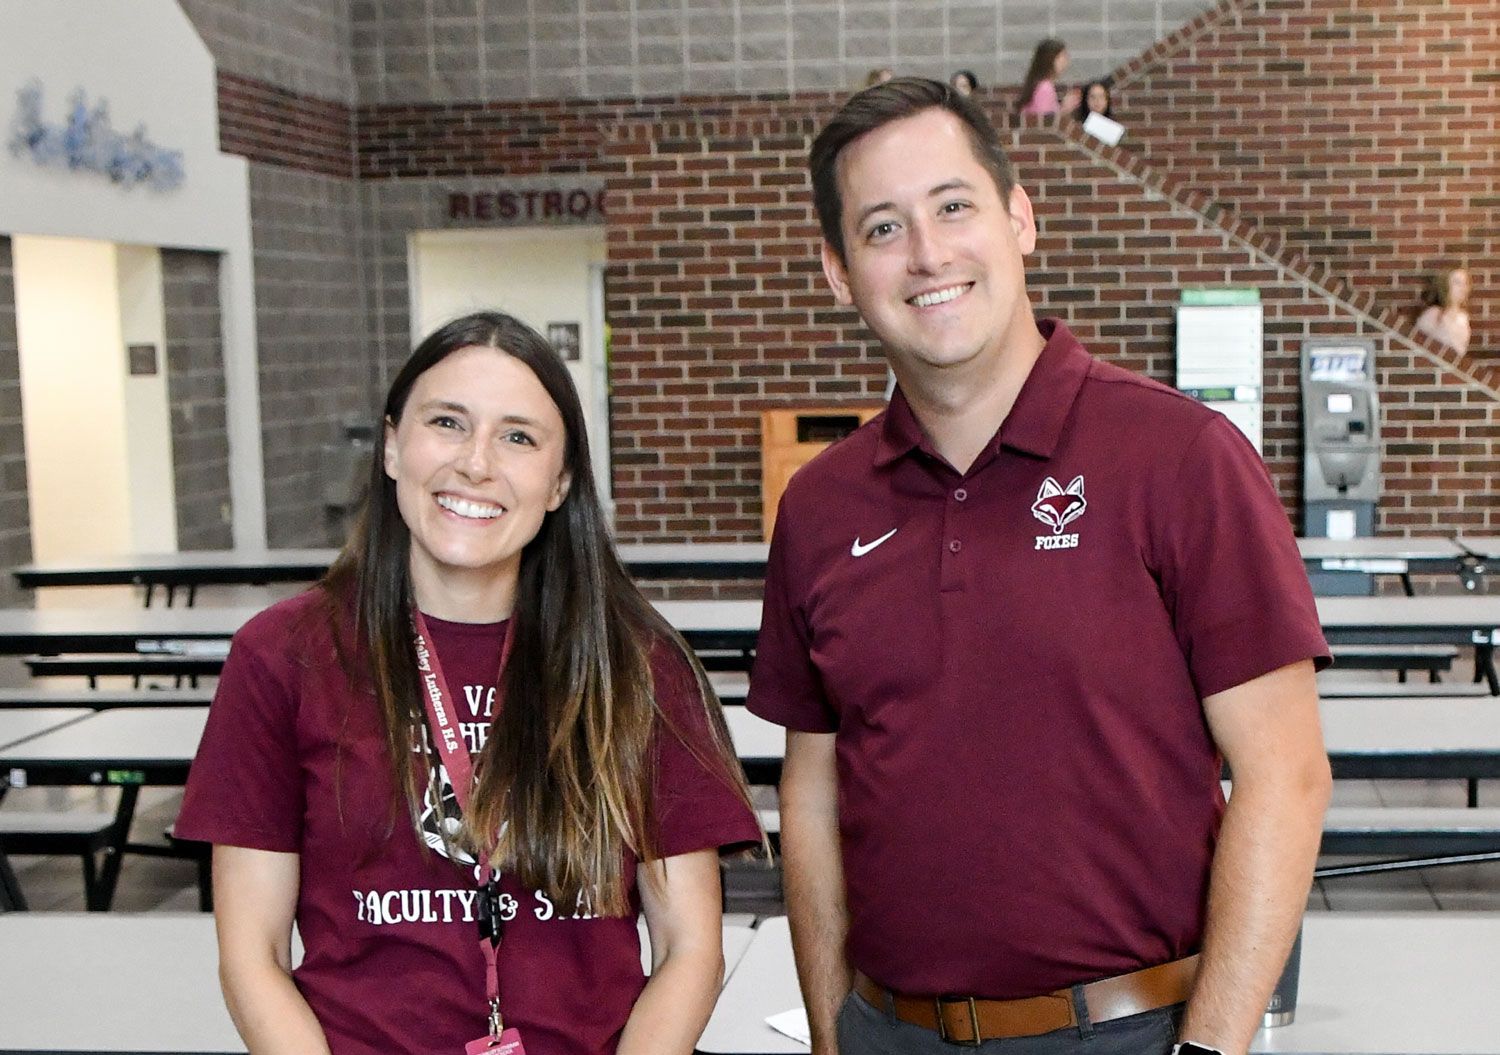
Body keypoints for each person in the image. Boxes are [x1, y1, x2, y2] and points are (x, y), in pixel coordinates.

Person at [749, 77, 1332, 1055]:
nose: (928, 254)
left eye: (953, 206)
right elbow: (810, 789)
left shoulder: (1182, 458)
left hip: (1132, 1030)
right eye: (883, 228)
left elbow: (1287, 772)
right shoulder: (818, 506)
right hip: (888, 1030)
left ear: (1019, 217)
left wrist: (1210, 1046)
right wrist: (830, 1034)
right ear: (838, 272)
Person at [177, 311, 762, 1055]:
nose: (476, 463)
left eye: (518, 436)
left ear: (561, 482)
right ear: (392, 445)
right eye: (447, 422)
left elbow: (689, 949)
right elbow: (251, 957)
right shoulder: (283, 655)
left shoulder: (634, 661)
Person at [1415, 267, 1471, 354]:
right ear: (1446, 286)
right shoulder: (1433, 314)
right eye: (1457, 283)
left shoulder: (1463, 317)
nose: (1463, 287)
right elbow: (1417, 342)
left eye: (1465, 283)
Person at [1017, 38, 1078, 115]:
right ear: (1050, 59)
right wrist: (1064, 109)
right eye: (1062, 56)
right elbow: (1044, 121)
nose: (1066, 61)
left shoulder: (1040, 84)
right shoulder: (1045, 87)